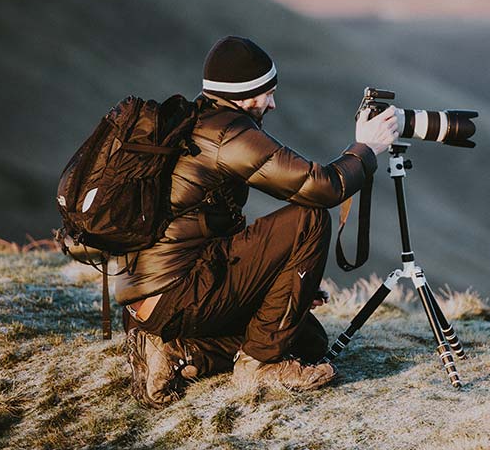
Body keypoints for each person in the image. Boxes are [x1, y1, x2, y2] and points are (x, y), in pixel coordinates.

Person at [118, 35, 399, 408]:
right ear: (247, 93)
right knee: (309, 219)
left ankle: (177, 352)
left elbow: (208, 230)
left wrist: (279, 282)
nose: (273, 103)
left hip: (146, 299)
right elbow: (321, 187)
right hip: (178, 293)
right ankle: (259, 367)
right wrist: (366, 148)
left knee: (306, 339)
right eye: (268, 93)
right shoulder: (229, 134)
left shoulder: (192, 122)